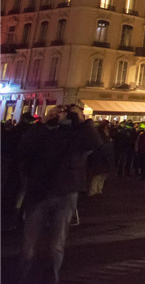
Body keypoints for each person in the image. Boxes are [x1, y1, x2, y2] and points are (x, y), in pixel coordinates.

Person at [19, 103, 101, 283]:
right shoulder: (43, 131)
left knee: (56, 245)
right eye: (58, 110)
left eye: (64, 111)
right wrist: (43, 122)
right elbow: (24, 146)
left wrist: (81, 120)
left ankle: (51, 278)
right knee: (29, 244)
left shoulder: (76, 134)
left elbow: (95, 144)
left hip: (64, 191)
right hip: (39, 190)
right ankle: (24, 278)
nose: (60, 113)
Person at [87, 121, 114, 197]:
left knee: (102, 175)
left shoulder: (104, 136)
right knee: (98, 175)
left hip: (104, 156)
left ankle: (98, 190)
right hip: (101, 156)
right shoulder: (101, 136)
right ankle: (94, 191)